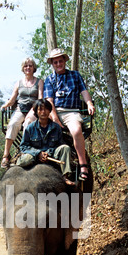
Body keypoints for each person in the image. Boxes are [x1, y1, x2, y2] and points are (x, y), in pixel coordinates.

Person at [43, 48, 95, 181]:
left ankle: (83, 164)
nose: (58, 64)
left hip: (71, 112)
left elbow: (84, 91)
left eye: (60, 61)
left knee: (77, 130)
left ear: (65, 61)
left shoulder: (75, 75)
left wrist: (89, 103)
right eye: (55, 62)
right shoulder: (49, 79)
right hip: (54, 111)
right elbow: (49, 101)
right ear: (52, 64)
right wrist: (54, 117)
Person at [17, 99, 75, 185]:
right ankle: (13, 175)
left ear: (49, 111)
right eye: (40, 109)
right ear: (36, 112)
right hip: (35, 156)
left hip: (51, 155)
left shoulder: (56, 127)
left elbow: (60, 144)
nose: (43, 112)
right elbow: (23, 146)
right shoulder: (30, 128)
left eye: (46, 109)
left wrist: (48, 153)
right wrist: (38, 153)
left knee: (65, 148)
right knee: (23, 160)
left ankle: (65, 177)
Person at [0, 57, 44, 168]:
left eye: (30, 65)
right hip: (20, 108)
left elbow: (40, 98)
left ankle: (24, 150)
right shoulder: (19, 83)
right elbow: (13, 99)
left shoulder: (39, 82)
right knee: (13, 124)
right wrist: (5, 105)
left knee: (28, 123)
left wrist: (33, 110)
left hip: (34, 109)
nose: (28, 67)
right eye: (25, 66)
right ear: (23, 68)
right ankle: (6, 155)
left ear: (34, 67)